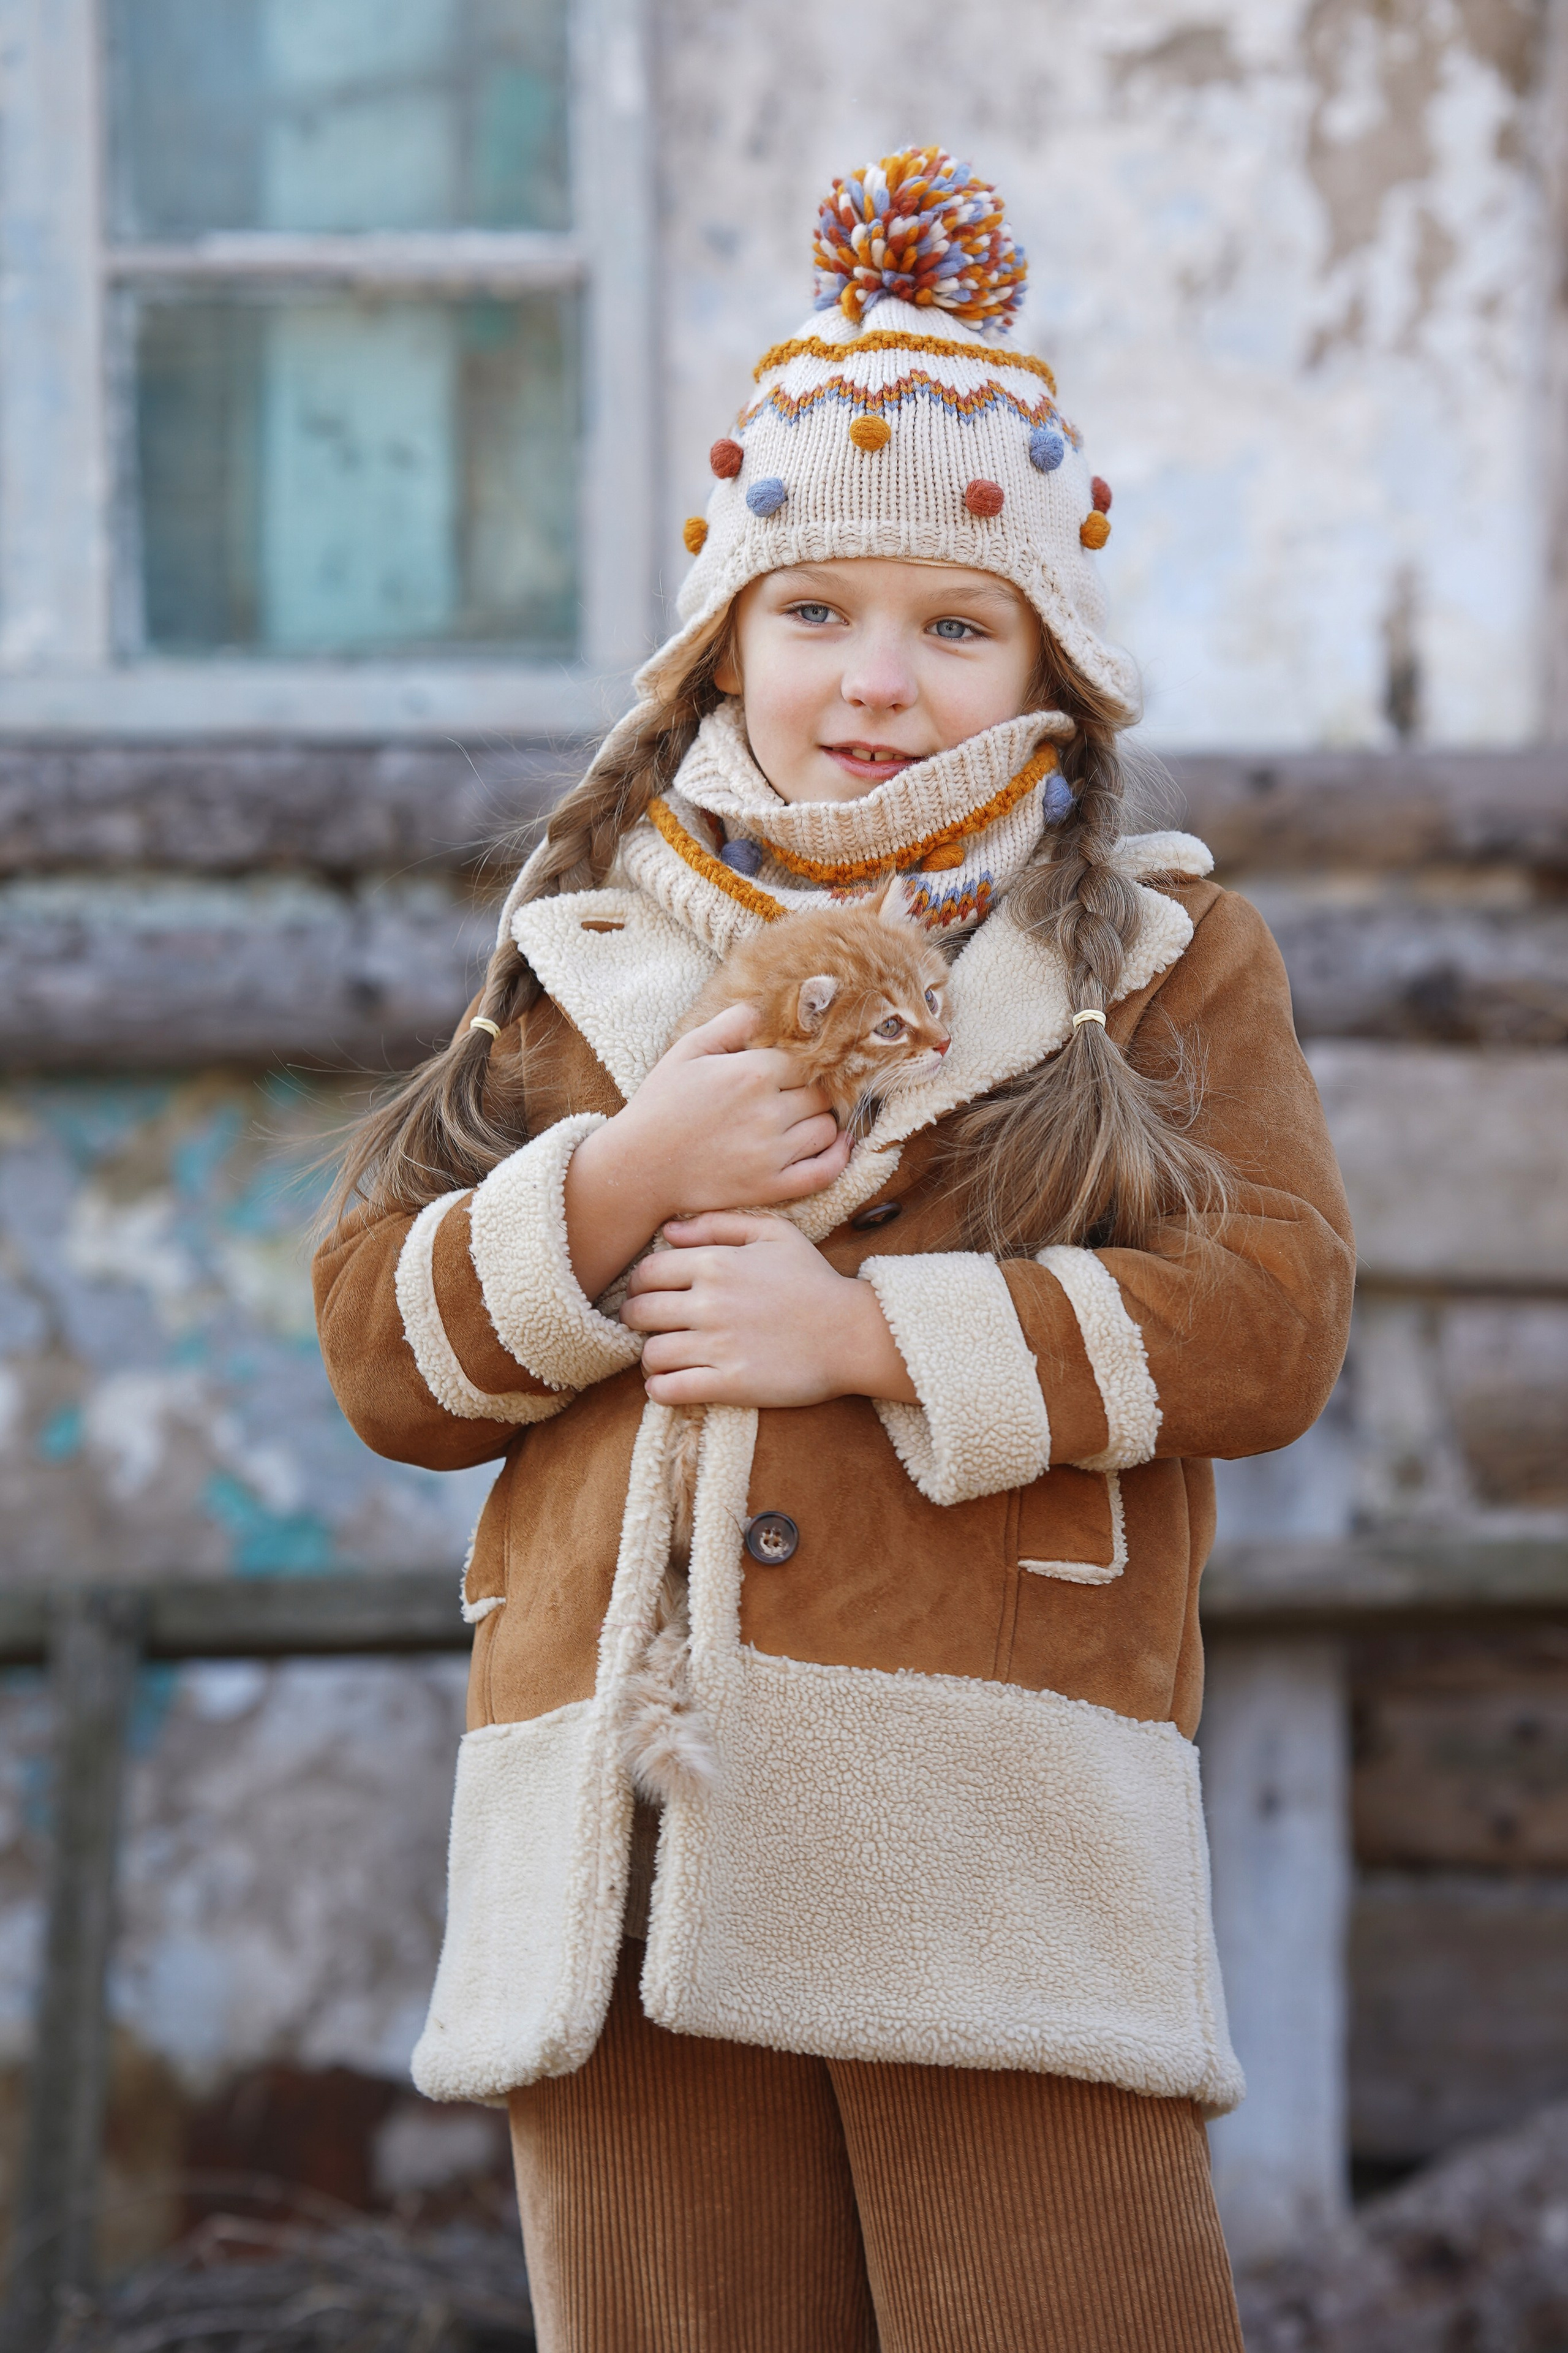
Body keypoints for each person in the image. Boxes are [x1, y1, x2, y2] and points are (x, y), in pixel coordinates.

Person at [315, 146, 1354, 2353]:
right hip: (619, 1843)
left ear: (1046, 657)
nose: (876, 680)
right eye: (815, 612)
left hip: (986, 1831)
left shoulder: (1156, 951)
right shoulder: (583, 952)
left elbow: (1270, 1327)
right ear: (724, 635)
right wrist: (623, 1177)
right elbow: (382, 1360)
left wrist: (865, 1328)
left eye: (955, 624)